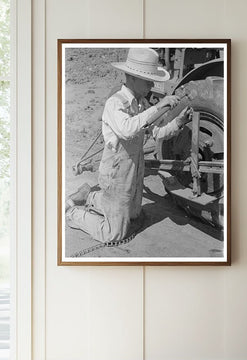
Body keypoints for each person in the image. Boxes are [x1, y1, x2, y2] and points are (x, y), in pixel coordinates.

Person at [66, 48, 192, 243]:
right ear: (132, 77)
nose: (152, 84)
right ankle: (72, 213)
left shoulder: (141, 105)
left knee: (134, 215)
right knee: (114, 233)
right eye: (148, 79)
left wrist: (178, 122)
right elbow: (127, 129)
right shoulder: (114, 103)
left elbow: (157, 133)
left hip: (133, 172)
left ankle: (90, 197)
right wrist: (159, 107)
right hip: (115, 174)